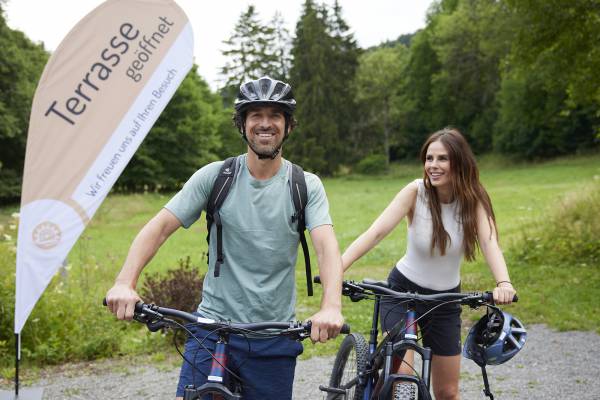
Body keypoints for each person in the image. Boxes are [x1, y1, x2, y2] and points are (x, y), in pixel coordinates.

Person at [105, 76, 344, 400]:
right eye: (255, 115)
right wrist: (124, 282)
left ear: (288, 126)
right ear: (242, 124)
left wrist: (331, 306)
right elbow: (158, 228)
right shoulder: (215, 176)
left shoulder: (304, 185)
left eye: (275, 115)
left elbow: (326, 246)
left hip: (272, 336)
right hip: (211, 329)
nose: (265, 124)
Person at [341, 128, 516, 400]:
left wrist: (503, 282)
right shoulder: (416, 192)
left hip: (445, 301)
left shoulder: (474, 199)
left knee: (448, 392)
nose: (433, 166)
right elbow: (376, 232)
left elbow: (490, 242)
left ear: (459, 162)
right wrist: (338, 267)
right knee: (405, 380)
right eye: (429, 158)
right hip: (401, 293)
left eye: (442, 159)